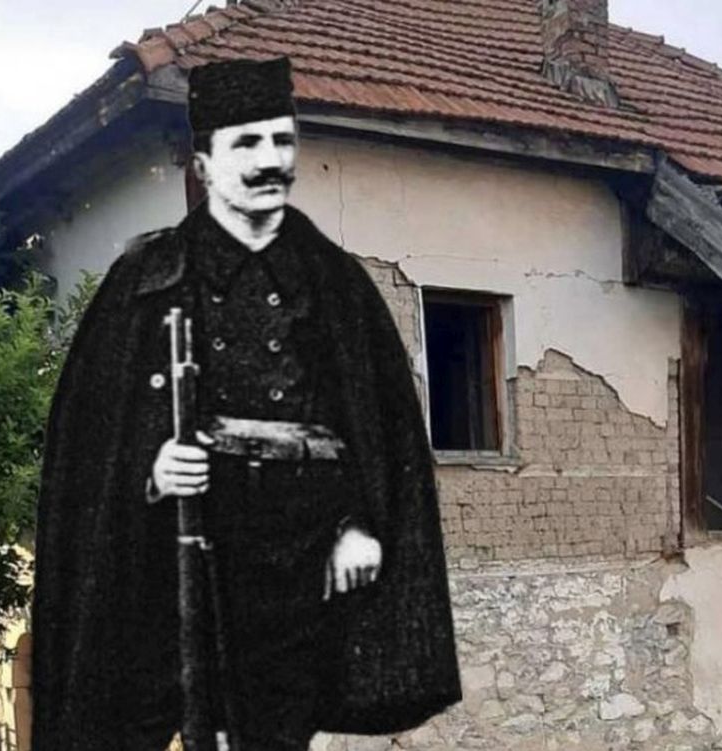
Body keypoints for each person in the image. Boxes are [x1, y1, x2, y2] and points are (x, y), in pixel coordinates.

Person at [31, 57, 461, 751]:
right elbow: (89, 442)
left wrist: (358, 522)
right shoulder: (145, 280)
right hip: (176, 553)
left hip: (298, 561)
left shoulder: (337, 286)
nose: (269, 161)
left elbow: (380, 430)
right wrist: (150, 470)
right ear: (203, 164)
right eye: (247, 144)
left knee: (275, 731)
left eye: (282, 141)